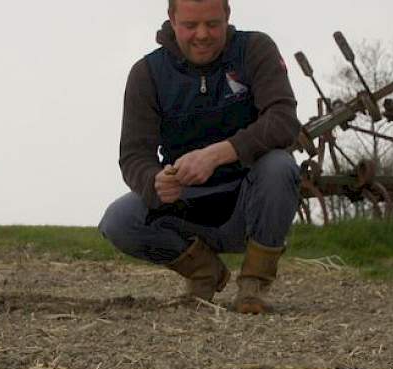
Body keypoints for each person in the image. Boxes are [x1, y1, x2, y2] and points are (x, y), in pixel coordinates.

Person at [99, 0, 301, 314]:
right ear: (171, 19)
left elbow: (283, 120)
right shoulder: (147, 73)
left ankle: (253, 286)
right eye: (191, 26)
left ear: (227, 16)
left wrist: (218, 154)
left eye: (213, 24)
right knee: (119, 220)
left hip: (248, 199)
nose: (203, 35)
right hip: (186, 206)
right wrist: (155, 181)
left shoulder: (255, 49)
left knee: (280, 166)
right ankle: (204, 271)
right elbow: (134, 155)